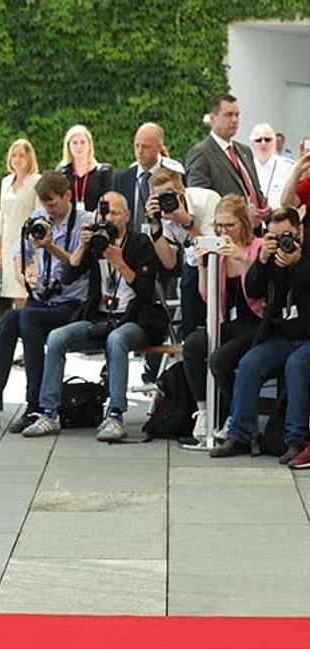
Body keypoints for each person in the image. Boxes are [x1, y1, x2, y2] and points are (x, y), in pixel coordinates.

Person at [22, 192, 159, 442]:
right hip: (99, 319)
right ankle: (49, 413)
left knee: (117, 339)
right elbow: (68, 277)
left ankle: (115, 415)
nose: (110, 218)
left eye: (116, 212)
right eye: (105, 212)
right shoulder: (97, 242)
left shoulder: (140, 243)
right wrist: (84, 246)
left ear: (128, 216)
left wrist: (119, 263)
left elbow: (146, 291)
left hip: (133, 321)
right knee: (57, 338)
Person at [0, 171, 90, 432]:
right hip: (41, 299)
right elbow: (19, 254)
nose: (49, 208)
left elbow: (77, 264)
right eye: (44, 203)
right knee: (11, 319)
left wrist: (49, 246)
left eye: (53, 202)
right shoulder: (38, 218)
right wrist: (25, 277)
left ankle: (35, 404)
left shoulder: (84, 222)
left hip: (72, 303)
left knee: (27, 317)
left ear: (68, 196)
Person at [211, 207, 310, 463]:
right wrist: (262, 260)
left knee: (296, 366)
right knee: (249, 363)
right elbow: (254, 289)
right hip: (281, 335)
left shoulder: (304, 255)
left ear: (300, 230)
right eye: (274, 237)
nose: (281, 242)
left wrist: (298, 263)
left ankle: (295, 440)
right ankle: (240, 435)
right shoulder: (270, 256)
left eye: (286, 235)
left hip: (307, 337)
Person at [181, 195, 263, 442]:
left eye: (230, 225)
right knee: (194, 345)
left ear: (243, 224)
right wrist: (203, 265)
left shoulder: (256, 248)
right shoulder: (219, 252)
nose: (224, 231)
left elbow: (263, 284)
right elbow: (208, 297)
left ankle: (234, 416)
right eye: (219, 226)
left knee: (220, 360)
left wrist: (243, 259)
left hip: (257, 322)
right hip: (229, 322)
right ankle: (204, 412)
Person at [144, 167, 221, 339]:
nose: (167, 201)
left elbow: (212, 252)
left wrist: (187, 222)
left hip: (219, 265)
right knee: (191, 328)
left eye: (170, 194)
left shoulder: (207, 200)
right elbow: (169, 262)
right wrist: (155, 226)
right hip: (193, 264)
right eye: (160, 197)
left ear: (183, 190)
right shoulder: (161, 214)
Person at [185, 94, 268, 223]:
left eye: (237, 115)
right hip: (226, 233)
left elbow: (252, 190)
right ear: (213, 118)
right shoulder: (201, 153)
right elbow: (200, 203)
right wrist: (243, 214)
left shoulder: (244, 151)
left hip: (254, 232)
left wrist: (263, 206)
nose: (234, 120)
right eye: (228, 115)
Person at [113, 123, 184, 234]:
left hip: (166, 240)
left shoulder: (173, 176)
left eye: (145, 146)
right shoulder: (122, 179)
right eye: (137, 146)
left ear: (159, 147)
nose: (140, 152)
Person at [0, 138, 40, 305]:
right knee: (13, 294)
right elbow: (2, 217)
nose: (17, 159)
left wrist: (35, 250)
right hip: (8, 244)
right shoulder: (6, 181)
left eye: (22, 155)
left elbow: (39, 216)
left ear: (29, 159)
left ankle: (26, 329)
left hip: (26, 245)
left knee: (26, 291)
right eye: (14, 155)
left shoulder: (36, 181)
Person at [57, 124, 113, 214]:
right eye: (74, 143)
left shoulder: (103, 171)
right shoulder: (61, 172)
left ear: (90, 145)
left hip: (95, 221)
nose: (79, 147)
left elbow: (108, 201)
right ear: (68, 146)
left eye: (82, 142)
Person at [249, 123, 295, 209]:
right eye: (258, 140)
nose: (263, 143)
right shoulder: (245, 167)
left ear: (274, 143)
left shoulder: (288, 167)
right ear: (252, 144)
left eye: (267, 139)